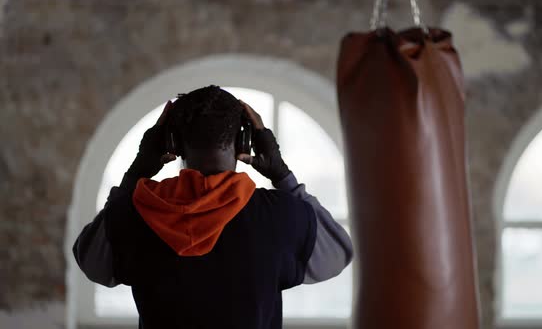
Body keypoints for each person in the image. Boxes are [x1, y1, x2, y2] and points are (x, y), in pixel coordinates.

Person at [72, 85, 353, 329]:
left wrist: (135, 173)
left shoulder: (134, 212)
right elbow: (338, 253)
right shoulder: (282, 215)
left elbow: (90, 261)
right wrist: (282, 175)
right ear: (244, 141)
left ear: (173, 143)